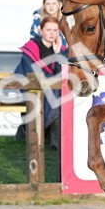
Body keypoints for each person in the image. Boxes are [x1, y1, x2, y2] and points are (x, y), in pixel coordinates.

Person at [15, 16, 69, 146]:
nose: (52, 33)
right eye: (48, 29)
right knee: (55, 97)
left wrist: (57, 55)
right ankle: (52, 138)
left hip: (51, 90)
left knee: (58, 96)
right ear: (41, 30)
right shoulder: (31, 48)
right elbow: (34, 75)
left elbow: (63, 75)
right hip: (31, 88)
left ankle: (52, 137)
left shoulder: (62, 51)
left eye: (55, 30)